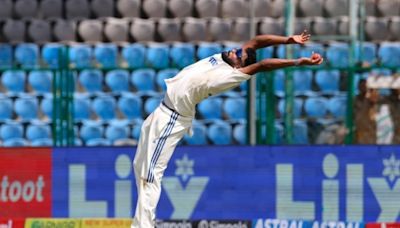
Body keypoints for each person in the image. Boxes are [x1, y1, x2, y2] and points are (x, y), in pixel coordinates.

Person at [131, 31, 324, 228]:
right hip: (161, 111)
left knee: (151, 174)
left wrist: (298, 61)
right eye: (237, 51)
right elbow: (257, 41)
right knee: (140, 167)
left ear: (240, 66)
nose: (234, 51)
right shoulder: (226, 59)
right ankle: (142, 223)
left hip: (171, 119)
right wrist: (288, 40)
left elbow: (262, 65)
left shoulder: (231, 75)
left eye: (239, 55)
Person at [353, 78, 379, 144]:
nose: (363, 88)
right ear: (358, 87)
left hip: (370, 132)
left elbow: (374, 114)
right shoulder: (354, 100)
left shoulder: (371, 99)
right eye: (361, 86)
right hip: (358, 131)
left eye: (364, 86)